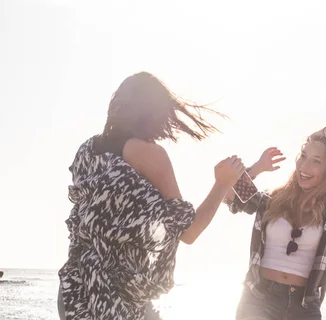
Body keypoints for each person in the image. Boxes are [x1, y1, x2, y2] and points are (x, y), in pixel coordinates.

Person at [57, 72, 245, 320]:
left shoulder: (85, 151)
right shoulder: (149, 154)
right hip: (117, 297)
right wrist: (222, 184)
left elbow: (97, 219)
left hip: (74, 290)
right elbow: (188, 232)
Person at [224, 126, 326, 320]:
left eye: (316, 161)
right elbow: (229, 196)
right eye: (303, 156)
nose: (304, 166)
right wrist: (258, 167)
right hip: (259, 298)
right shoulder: (271, 201)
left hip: (304, 305)